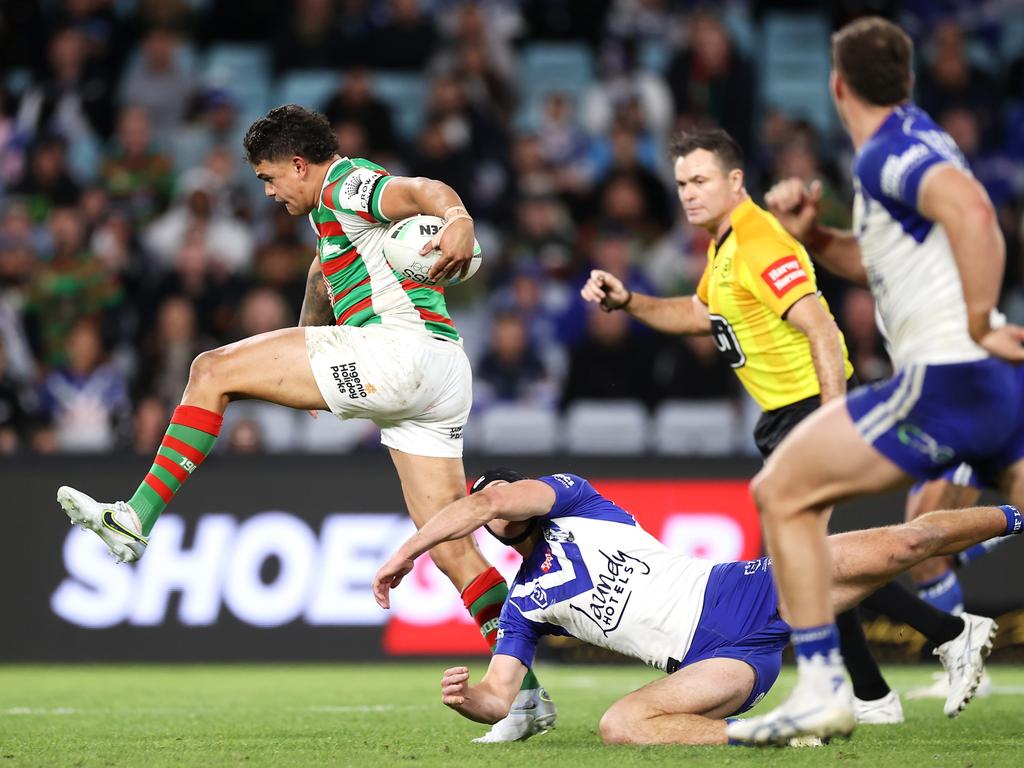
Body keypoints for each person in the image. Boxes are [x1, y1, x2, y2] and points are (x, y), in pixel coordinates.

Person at [54, 104, 554, 743]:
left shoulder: (348, 183)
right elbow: (324, 273)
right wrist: (312, 348)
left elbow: (422, 191)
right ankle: (525, 697)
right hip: (442, 372)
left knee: (211, 370)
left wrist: (456, 217)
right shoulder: (331, 215)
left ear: (298, 164)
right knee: (450, 541)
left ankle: (136, 517)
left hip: (397, 355)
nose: (268, 192)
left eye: (269, 178)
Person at [581, 128, 973, 724]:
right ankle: (878, 689)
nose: (688, 193)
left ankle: (934, 643)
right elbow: (698, 313)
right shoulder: (725, 247)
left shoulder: (762, 240)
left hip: (811, 410)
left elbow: (820, 326)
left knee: (799, 562)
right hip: (786, 418)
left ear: (735, 181)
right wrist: (629, 300)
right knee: (807, 561)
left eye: (701, 180)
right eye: (682, 183)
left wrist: (832, 421)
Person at [728, 17, 1024, 745]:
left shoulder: (882, 156)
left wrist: (984, 317)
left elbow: (973, 210)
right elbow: (888, 258)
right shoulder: (918, 133)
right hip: (990, 384)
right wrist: (817, 238)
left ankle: (825, 688)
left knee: (780, 492)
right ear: (909, 81)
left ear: (836, 87)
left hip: (944, 383)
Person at [371, 469, 1019, 746]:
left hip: (740, 587)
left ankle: (1015, 517)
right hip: (717, 661)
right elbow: (499, 694)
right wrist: (468, 702)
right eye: (494, 505)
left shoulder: (574, 499)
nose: (501, 505)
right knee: (619, 726)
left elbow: (483, 503)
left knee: (905, 543)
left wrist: (407, 553)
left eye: (505, 494)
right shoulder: (522, 606)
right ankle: (780, 732)